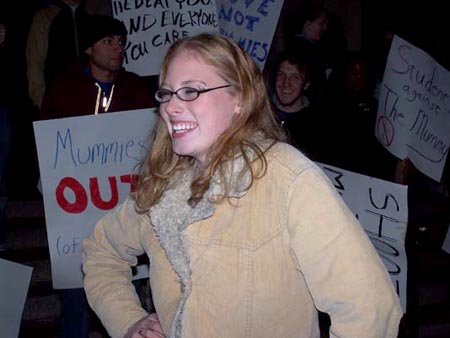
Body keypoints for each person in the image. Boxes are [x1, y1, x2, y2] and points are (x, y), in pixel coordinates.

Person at [82, 33, 402, 338]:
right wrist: (128, 320)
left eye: (191, 91)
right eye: (166, 93)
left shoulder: (286, 178)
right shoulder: (163, 187)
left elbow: (369, 309)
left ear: (239, 98)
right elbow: (100, 252)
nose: (171, 106)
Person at [40, 14, 155, 338]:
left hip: (124, 208)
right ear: (89, 48)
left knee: (127, 291)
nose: (117, 48)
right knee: (76, 290)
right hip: (76, 209)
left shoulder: (135, 88)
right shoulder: (63, 89)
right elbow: (48, 148)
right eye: (108, 41)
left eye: (121, 42)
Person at [26, 0, 91, 110]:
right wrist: (44, 101)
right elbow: (34, 65)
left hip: (96, 100)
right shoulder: (45, 17)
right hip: (59, 104)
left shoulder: (98, 11)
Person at [270, 47, 327, 162]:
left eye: (295, 77)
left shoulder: (317, 126)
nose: (286, 83)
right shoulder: (258, 114)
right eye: (281, 74)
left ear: (306, 84)